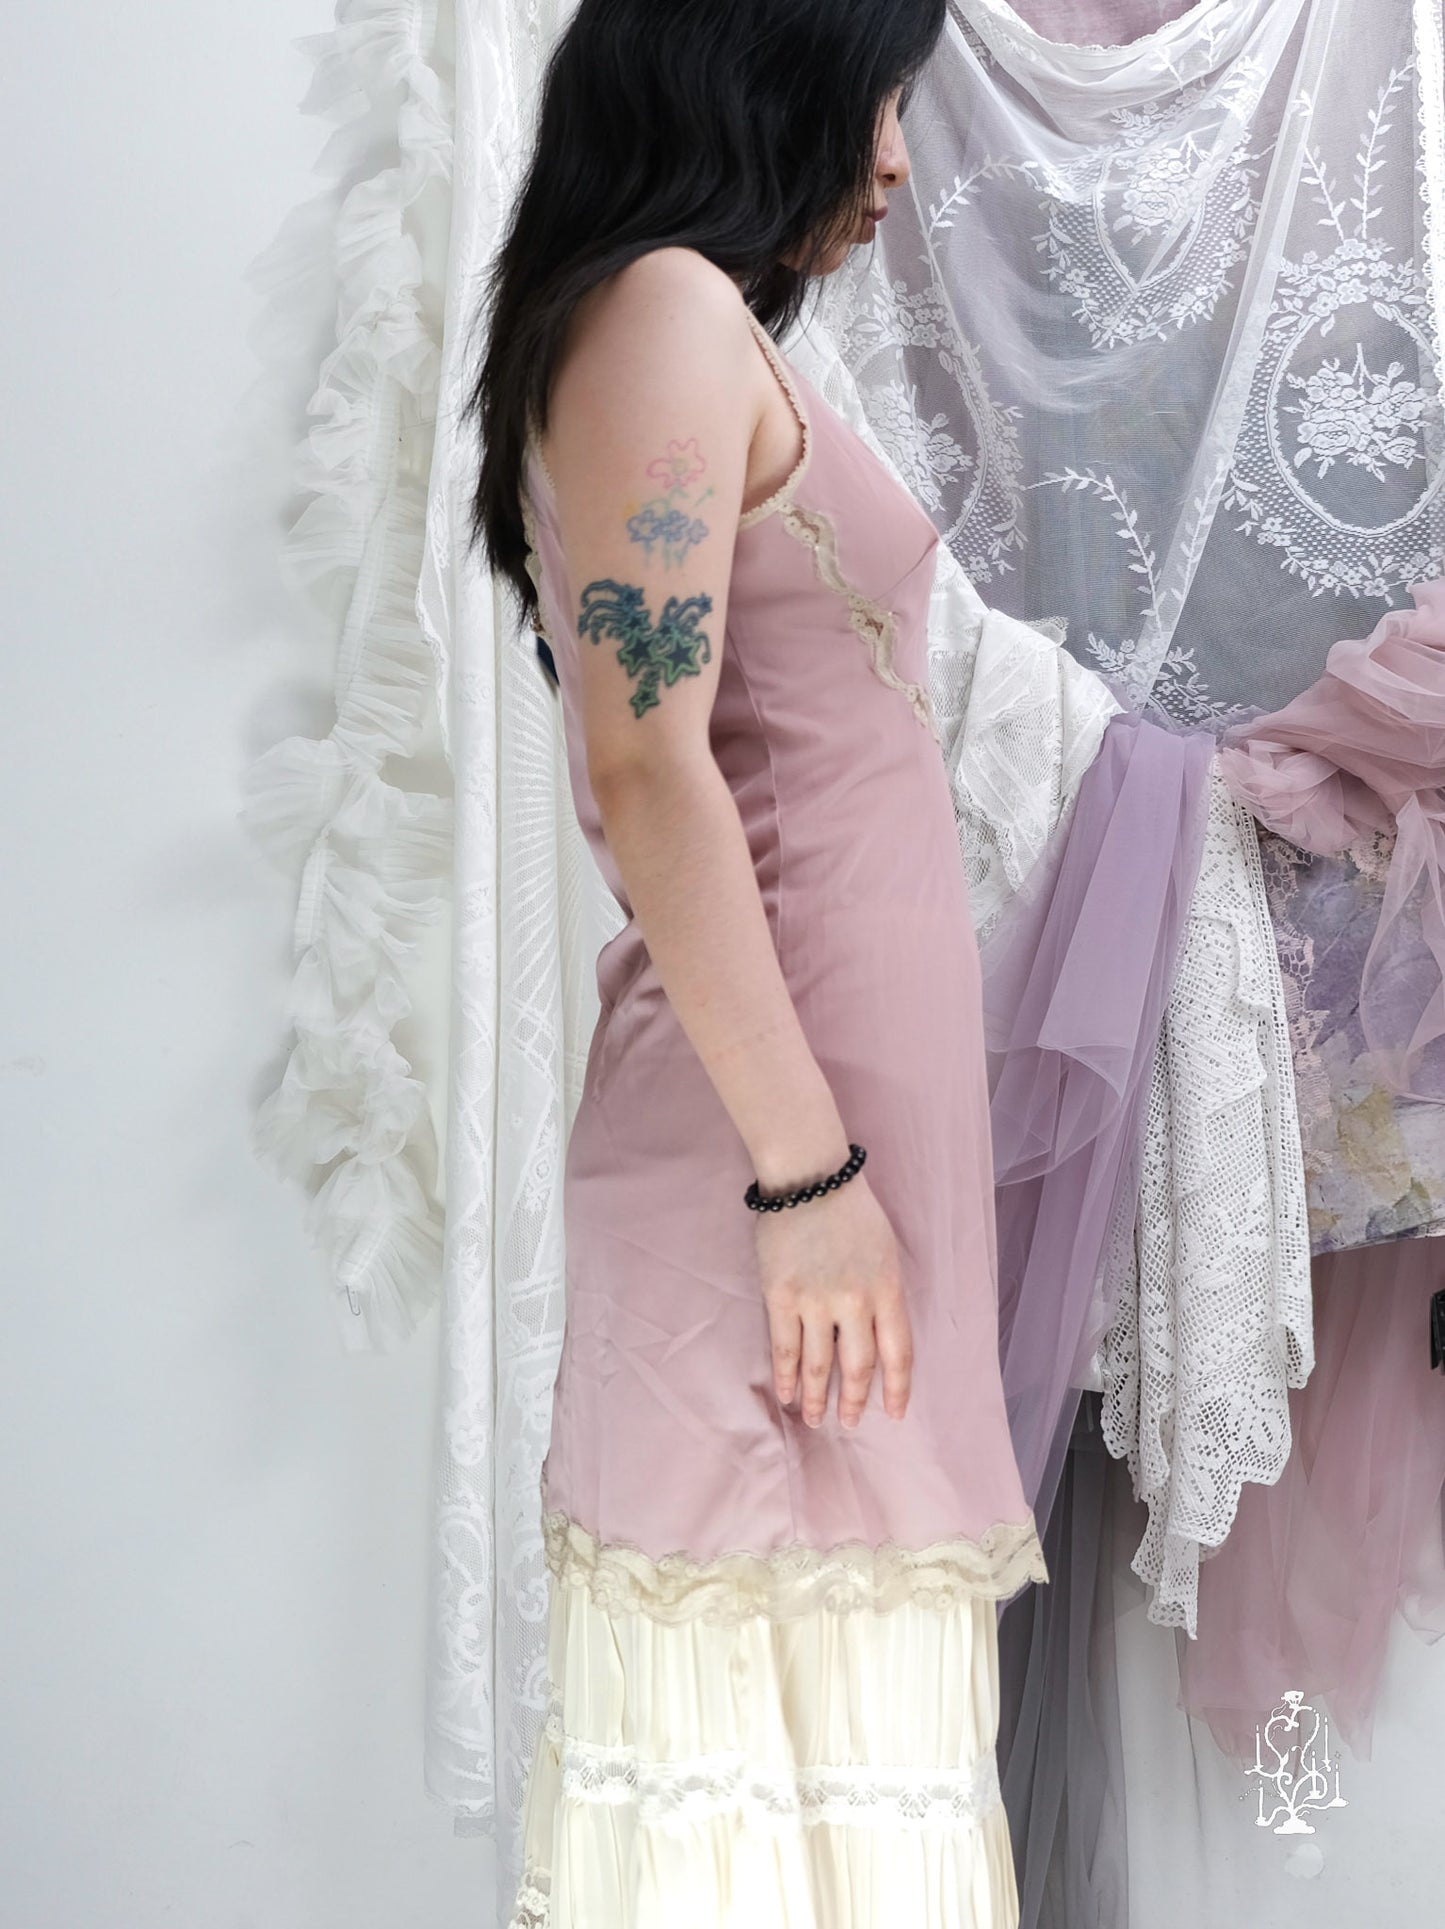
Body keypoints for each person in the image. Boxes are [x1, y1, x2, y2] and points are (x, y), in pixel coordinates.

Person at [467, 2, 1049, 1921]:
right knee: (753, 1819)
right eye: (876, 96)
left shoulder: (682, 320)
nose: (893, 159)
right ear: (751, 64)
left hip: (823, 1175)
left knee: (836, 1792)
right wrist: (804, 1179)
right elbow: (648, 763)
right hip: (773, 1175)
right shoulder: (663, 308)